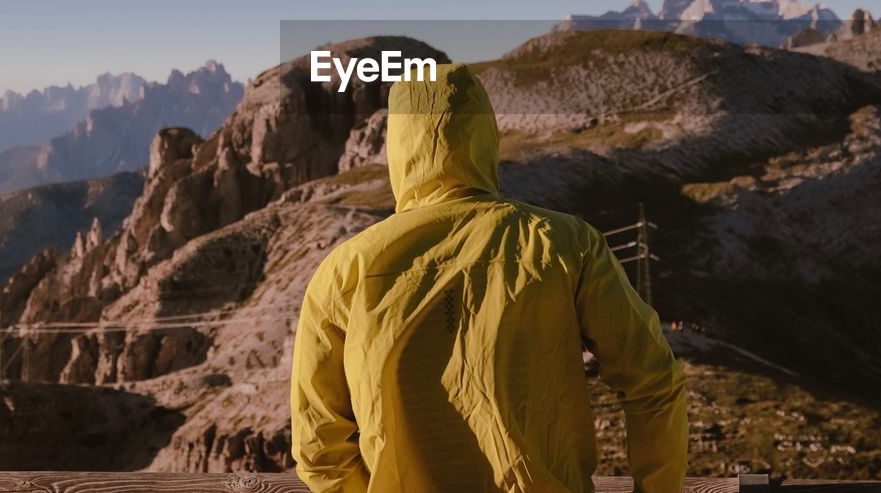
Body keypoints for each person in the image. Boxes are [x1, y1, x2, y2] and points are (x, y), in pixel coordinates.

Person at [290, 63, 688, 492]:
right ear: (485, 139)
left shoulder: (344, 270)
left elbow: (318, 446)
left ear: (399, 148)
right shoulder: (564, 242)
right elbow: (654, 381)